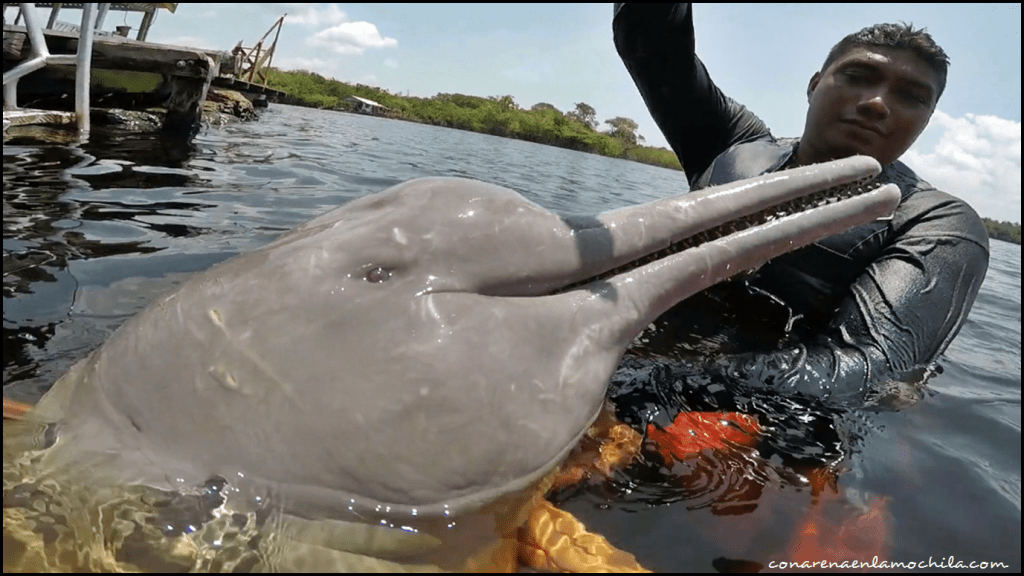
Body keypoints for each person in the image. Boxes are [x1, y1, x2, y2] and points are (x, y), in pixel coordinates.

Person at [612, 4, 990, 405]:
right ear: (814, 84)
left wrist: (660, 378)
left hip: (759, 425)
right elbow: (651, 43)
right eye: (858, 76)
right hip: (625, 355)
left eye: (912, 97)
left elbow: (870, 367)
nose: (877, 103)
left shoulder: (936, 221)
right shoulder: (734, 144)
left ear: (926, 120)